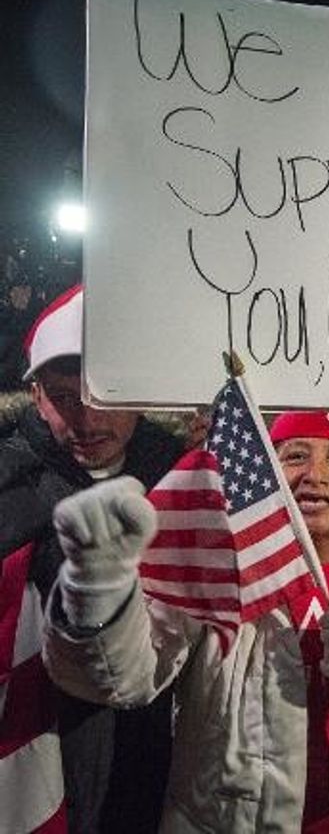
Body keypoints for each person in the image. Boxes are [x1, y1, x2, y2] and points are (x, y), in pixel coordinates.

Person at [43, 408, 329, 832]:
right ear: (267, 473)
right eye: (296, 455)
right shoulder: (218, 558)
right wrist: (96, 585)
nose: (316, 474)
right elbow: (124, 678)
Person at [0, 284, 184, 832]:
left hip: (156, 748)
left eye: (105, 398)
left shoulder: (182, 481)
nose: (86, 422)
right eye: (63, 397)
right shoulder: (8, 488)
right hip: (37, 756)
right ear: (36, 395)